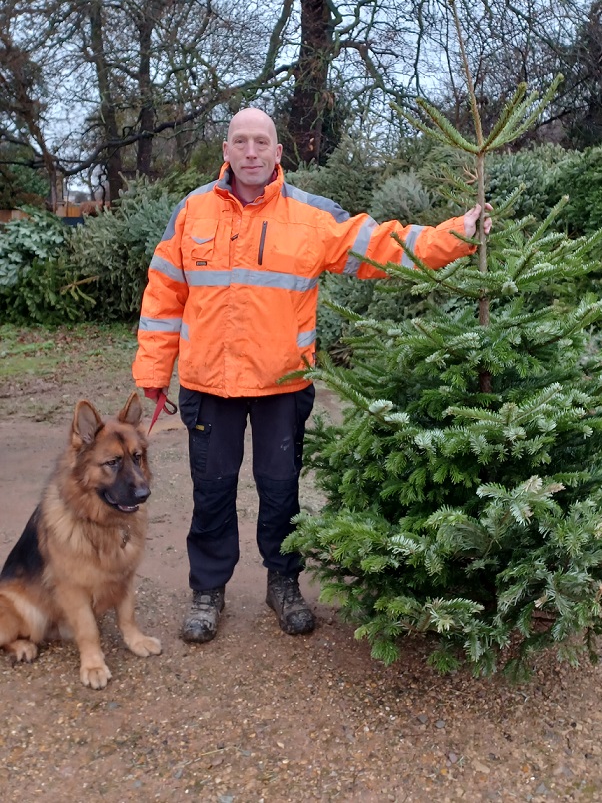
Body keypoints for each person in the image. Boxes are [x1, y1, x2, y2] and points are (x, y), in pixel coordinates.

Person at [132, 107, 492, 643]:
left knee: (281, 491)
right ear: (226, 152)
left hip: (282, 385)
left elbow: (385, 248)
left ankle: (284, 583)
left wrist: (458, 235)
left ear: (278, 154)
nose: (251, 152)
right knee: (211, 490)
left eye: (262, 143)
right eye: (241, 142)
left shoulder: (312, 216)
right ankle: (208, 591)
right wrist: (154, 374)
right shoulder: (192, 213)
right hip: (210, 385)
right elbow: (163, 297)